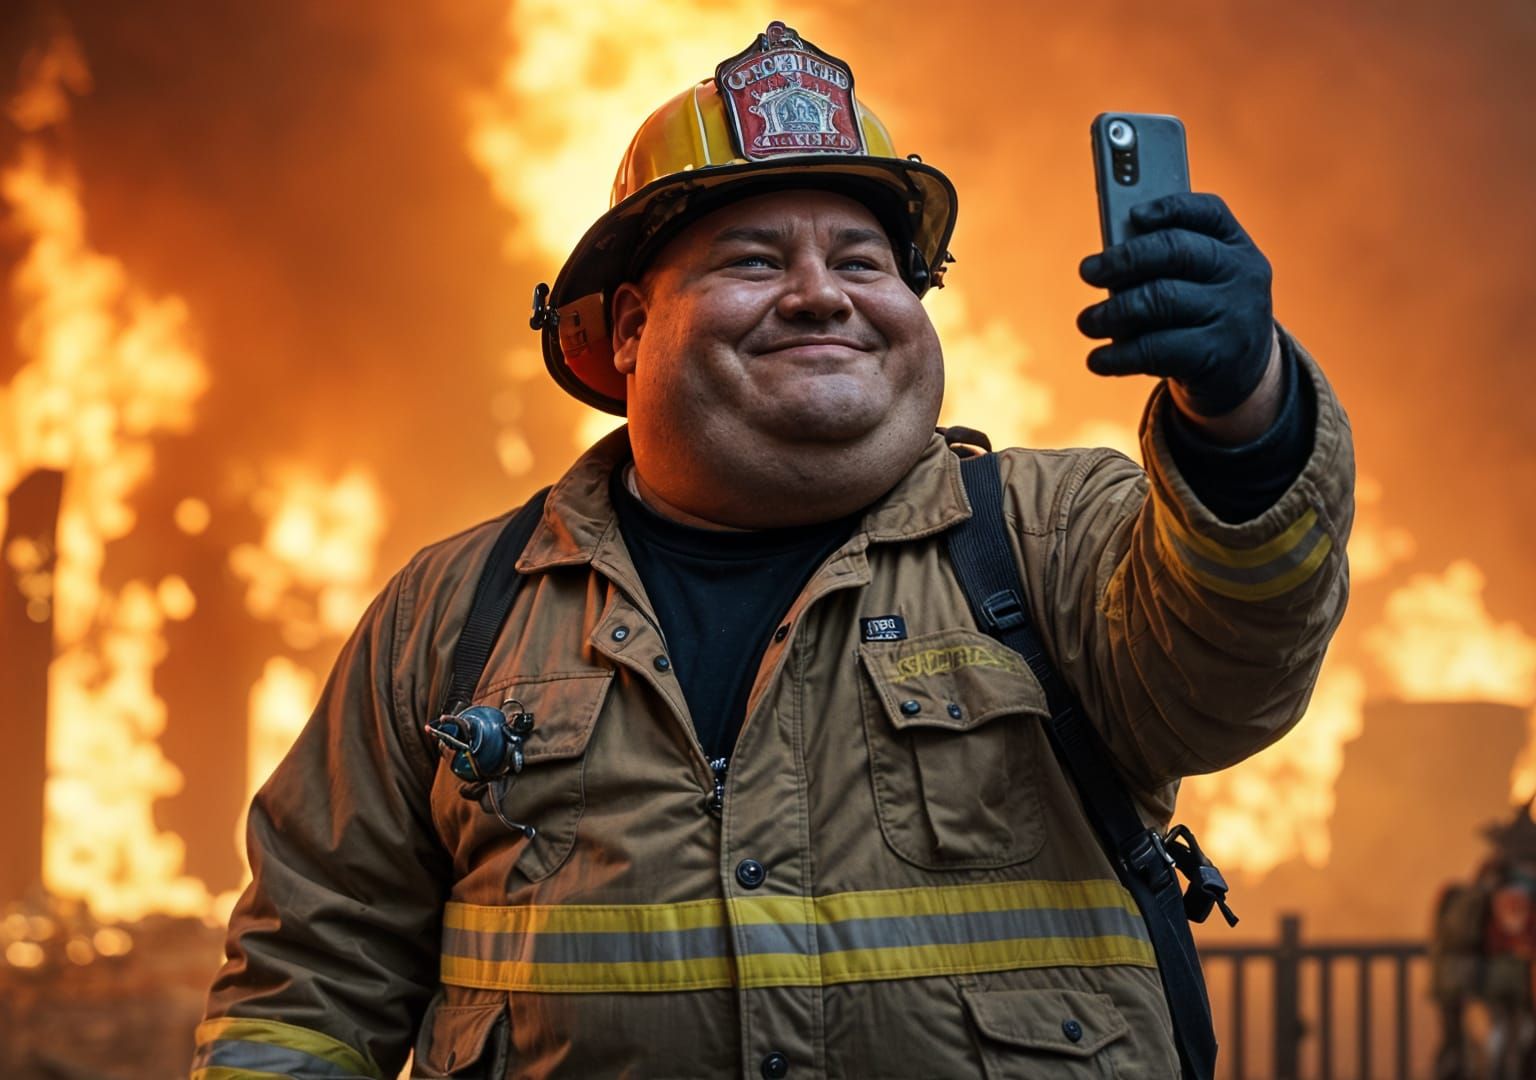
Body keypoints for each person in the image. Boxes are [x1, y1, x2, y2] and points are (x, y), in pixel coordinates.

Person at [193, 21, 1352, 1080]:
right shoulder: (454, 616)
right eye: (752, 261)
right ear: (634, 327)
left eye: (862, 263)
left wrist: (1243, 408)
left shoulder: (1050, 539)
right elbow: (307, 988)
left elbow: (1230, 670)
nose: (820, 296)